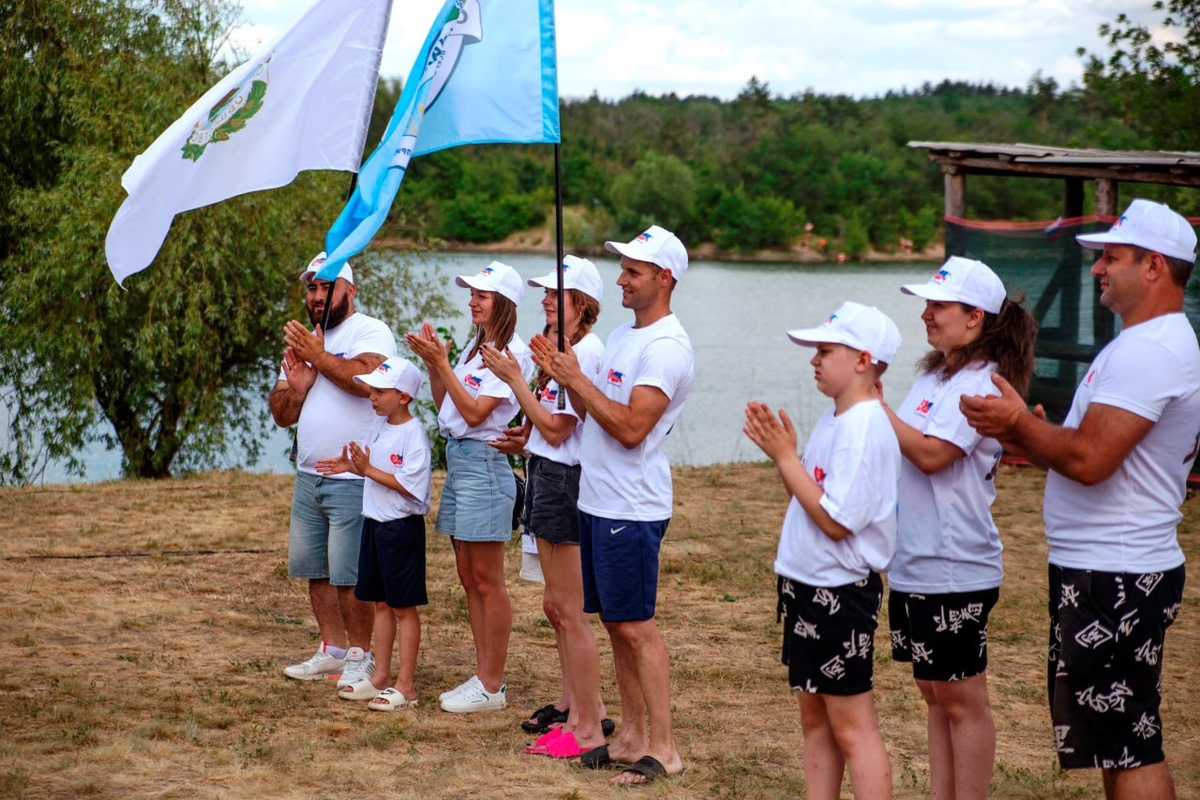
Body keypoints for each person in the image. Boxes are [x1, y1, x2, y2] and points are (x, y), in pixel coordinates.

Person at [960, 198, 1200, 800]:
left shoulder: (1152, 351)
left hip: (1116, 574)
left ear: (1154, 267)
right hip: (1105, 570)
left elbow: (1090, 460)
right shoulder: (1143, 344)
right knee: (1116, 743)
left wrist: (1017, 424)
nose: (1096, 269)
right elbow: (1080, 448)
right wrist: (1032, 430)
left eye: (1110, 257)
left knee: (1130, 745)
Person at [532, 225, 693, 785]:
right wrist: (564, 373)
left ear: (664, 278)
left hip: (633, 507)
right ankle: (628, 736)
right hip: (598, 500)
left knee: (637, 627)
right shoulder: (626, 336)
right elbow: (594, 409)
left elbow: (630, 428)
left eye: (634, 271)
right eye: (623, 269)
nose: (621, 280)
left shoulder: (666, 347)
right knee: (615, 624)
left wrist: (577, 377)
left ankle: (665, 747)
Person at [882, 258, 1036, 800]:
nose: (925, 314)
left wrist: (872, 404)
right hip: (914, 560)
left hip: (956, 565)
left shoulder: (982, 383)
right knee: (933, 691)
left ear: (975, 317)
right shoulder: (935, 373)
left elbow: (931, 455)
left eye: (937, 305)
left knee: (961, 698)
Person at [743, 301, 901, 800]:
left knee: (853, 726)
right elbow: (814, 500)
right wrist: (788, 459)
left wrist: (787, 457)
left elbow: (836, 522)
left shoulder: (862, 427)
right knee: (815, 717)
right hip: (809, 585)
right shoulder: (838, 419)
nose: (814, 359)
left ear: (863, 360)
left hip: (839, 592)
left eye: (825, 350)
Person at [480, 255, 612, 757]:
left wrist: (515, 379)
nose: (546, 300)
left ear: (583, 303)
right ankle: (581, 707)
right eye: (545, 293)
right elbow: (549, 425)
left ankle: (585, 725)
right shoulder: (562, 350)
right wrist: (527, 438)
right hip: (548, 474)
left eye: (556, 294)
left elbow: (562, 428)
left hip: (565, 483)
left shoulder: (585, 353)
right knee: (555, 606)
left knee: (569, 610)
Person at [405, 260, 533, 714]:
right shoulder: (476, 346)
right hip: (461, 460)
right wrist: (436, 368)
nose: (472, 300)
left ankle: (492, 684)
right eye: (472, 293)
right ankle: (483, 676)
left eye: (482, 294)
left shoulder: (511, 351)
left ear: (504, 302)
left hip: (484, 464)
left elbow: (477, 414)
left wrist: (443, 363)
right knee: (466, 574)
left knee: (487, 578)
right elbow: (449, 412)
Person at [269, 252, 395, 690]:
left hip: (352, 477)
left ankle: (361, 656)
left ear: (350, 291)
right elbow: (281, 412)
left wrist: (319, 359)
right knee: (316, 569)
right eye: (312, 287)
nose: (318, 295)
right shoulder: (305, 340)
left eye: (327, 287)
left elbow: (368, 381)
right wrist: (299, 390)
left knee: (350, 573)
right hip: (309, 476)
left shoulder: (370, 330)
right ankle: (332, 649)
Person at [315, 357, 432, 712]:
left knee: (402, 608)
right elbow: (375, 469)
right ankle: (380, 676)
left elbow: (412, 488)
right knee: (381, 603)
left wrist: (369, 469)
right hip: (375, 525)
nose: (372, 397)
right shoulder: (380, 427)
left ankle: (406, 686)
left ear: (404, 396)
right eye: (372, 390)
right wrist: (354, 467)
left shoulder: (415, 435)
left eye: (380, 391)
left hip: (401, 530)